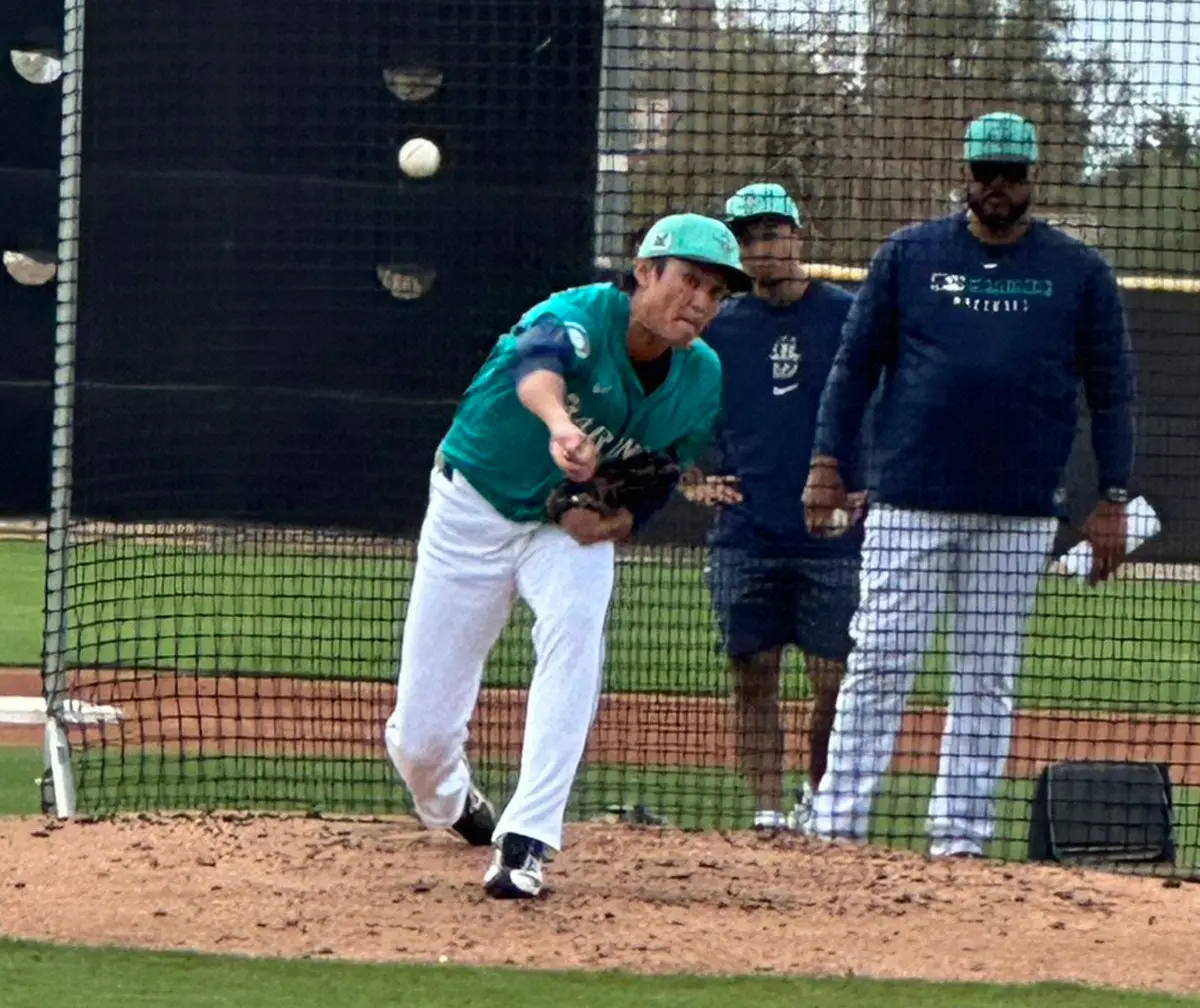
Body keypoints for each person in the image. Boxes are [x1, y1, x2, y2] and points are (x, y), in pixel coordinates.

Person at [384, 213, 751, 898]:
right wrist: (559, 425)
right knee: (419, 740)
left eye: (716, 292)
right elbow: (537, 370)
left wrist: (620, 519)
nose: (701, 301)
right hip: (475, 508)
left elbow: (663, 470)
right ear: (645, 272)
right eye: (690, 280)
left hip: (562, 526)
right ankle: (453, 802)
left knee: (576, 637)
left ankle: (526, 840)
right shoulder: (577, 315)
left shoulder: (702, 376)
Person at [801, 111, 1136, 858]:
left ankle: (960, 838)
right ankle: (836, 825)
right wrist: (827, 462)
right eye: (986, 173)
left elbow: (1112, 392)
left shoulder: (1079, 271)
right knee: (880, 659)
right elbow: (853, 368)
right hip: (910, 500)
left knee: (987, 676)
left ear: (1032, 178)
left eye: (1011, 175)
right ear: (967, 173)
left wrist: (1113, 496)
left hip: (1019, 510)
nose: (997, 187)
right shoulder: (909, 254)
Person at [684, 182, 867, 832]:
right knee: (752, 672)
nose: (761, 247)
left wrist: (870, 479)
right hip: (747, 531)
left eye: (771, 233)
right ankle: (767, 811)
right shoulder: (718, 325)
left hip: (834, 537)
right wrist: (689, 475)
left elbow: (885, 396)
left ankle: (818, 804)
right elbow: (676, 401)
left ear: (797, 235)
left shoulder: (848, 315)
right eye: (747, 238)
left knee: (834, 680)